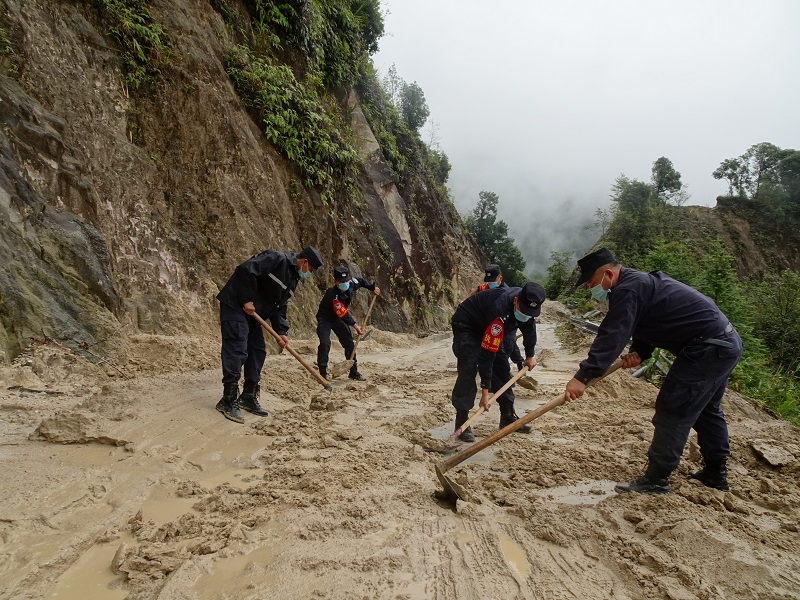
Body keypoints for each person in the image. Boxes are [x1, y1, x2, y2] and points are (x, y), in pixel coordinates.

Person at [564, 247, 743, 494]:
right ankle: (716, 474)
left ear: (607, 274)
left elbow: (613, 334)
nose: (590, 289)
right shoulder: (638, 283)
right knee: (706, 409)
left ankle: (656, 479)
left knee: (674, 408)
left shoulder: (627, 289)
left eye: (591, 283)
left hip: (707, 348)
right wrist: (640, 351)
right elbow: (649, 320)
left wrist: (583, 376)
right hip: (724, 344)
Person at [214, 246, 323, 424]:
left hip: (254, 314)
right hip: (236, 305)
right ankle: (228, 399)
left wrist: (281, 331)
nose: (309, 273)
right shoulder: (276, 258)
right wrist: (247, 299)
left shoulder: (293, 278)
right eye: (310, 269)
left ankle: (248, 396)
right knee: (237, 348)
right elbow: (245, 271)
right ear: (305, 262)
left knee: (257, 351)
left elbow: (279, 305)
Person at [450, 282, 545, 441]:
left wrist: (529, 355)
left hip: (488, 322)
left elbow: (530, 330)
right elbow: (487, 356)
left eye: (531, 312)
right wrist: (485, 392)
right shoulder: (499, 311)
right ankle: (462, 420)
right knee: (469, 365)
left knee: (501, 364)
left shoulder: (527, 307)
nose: (527, 315)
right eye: (524, 311)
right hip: (468, 323)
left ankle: (507, 415)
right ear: (516, 301)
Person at [316, 265, 380, 381]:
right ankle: (322, 373)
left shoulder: (351, 284)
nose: (345, 283)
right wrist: (356, 326)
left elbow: (361, 281)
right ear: (335, 281)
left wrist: (372, 288)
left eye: (346, 281)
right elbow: (343, 313)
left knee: (349, 344)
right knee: (325, 343)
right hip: (325, 319)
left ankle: (353, 372)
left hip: (337, 319)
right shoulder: (332, 295)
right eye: (342, 282)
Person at [463, 264, 526, 371]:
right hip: (489, 321)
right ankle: (498, 368)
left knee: (507, 343)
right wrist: (463, 303)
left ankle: (509, 368)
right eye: (489, 281)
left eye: (493, 280)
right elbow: (473, 294)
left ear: (500, 278)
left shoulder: (506, 291)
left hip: (506, 322)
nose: (490, 283)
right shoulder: (485, 287)